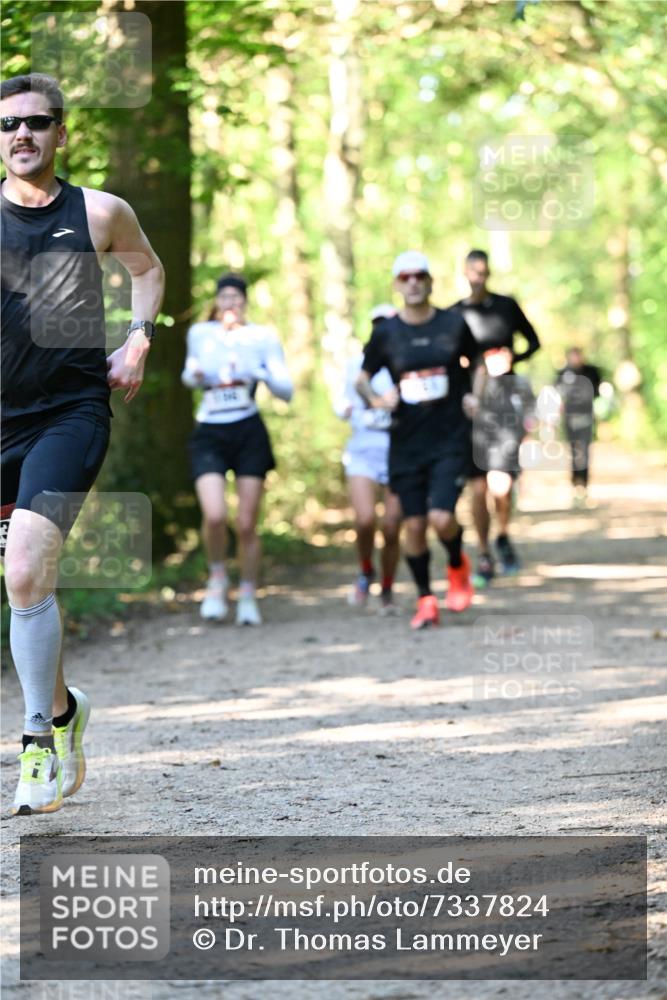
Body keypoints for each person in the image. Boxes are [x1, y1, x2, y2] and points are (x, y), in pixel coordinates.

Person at [1, 74, 164, 815]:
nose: (22, 135)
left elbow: (147, 269)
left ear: (61, 133)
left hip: (70, 413)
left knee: (25, 569)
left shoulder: (99, 211)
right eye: (9, 125)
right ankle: (65, 710)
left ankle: (37, 743)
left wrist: (137, 339)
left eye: (37, 122)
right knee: (26, 585)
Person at [356, 251, 478, 630]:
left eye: (419, 276)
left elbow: (477, 364)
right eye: (405, 277)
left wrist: (475, 395)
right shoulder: (387, 333)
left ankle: (457, 563)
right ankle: (425, 600)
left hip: (449, 438)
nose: (412, 283)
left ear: (430, 282)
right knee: (413, 525)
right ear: (397, 284)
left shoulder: (452, 323)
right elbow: (362, 378)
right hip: (406, 442)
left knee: (441, 518)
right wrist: (378, 400)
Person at [182, 273, 293, 626]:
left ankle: (247, 593)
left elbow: (286, 390)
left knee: (246, 523)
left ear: (245, 302)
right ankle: (217, 579)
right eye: (224, 297)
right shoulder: (200, 334)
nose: (230, 304)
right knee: (215, 515)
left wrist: (260, 372)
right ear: (216, 302)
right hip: (210, 431)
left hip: (248, 430)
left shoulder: (262, 337)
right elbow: (188, 375)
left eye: (236, 297)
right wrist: (197, 374)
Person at [453, 249, 540, 582]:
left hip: (504, 402)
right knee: (478, 488)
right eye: (473, 272)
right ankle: (484, 552)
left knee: (501, 484)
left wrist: (511, 359)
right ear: (465, 273)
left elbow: (534, 342)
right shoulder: (455, 314)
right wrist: (471, 368)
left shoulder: (506, 306)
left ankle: (503, 535)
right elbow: (449, 359)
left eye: (484, 272)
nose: (479, 277)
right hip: (472, 406)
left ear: (489, 273)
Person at [334, 305, 402, 613]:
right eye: (378, 324)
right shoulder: (356, 365)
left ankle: (387, 588)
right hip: (362, 451)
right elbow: (341, 401)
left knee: (391, 527)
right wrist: (347, 409)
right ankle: (365, 570)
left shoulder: (407, 363)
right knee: (364, 520)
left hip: (399, 452)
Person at [469, 347, 536, 582]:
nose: (499, 358)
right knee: (479, 493)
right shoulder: (471, 379)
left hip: (505, 443)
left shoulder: (519, 383)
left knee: (501, 490)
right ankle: (484, 552)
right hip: (475, 441)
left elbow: (530, 414)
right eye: (493, 353)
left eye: (504, 352)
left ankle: (503, 536)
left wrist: (526, 439)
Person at [555, 347, 601, 505]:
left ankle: (584, 486)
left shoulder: (592, 371)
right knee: (574, 452)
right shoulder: (563, 373)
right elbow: (557, 394)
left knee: (585, 452)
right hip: (570, 418)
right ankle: (576, 485)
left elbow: (598, 391)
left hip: (586, 416)